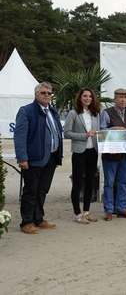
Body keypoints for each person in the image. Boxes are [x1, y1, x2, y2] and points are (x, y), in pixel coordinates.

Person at [14, 82, 63, 234]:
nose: (47, 95)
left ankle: (38, 218)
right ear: (36, 94)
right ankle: (26, 222)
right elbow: (19, 136)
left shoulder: (53, 111)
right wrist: (22, 157)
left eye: (49, 93)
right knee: (30, 191)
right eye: (43, 93)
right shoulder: (26, 111)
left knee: (42, 190)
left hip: (51, 158)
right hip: (34, 158)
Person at [100, 88, 126, 221]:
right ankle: (109, 210)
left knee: (124, 182)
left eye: (125, 97)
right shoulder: (106, 113)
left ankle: (121, 208)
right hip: (111, 153)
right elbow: (101, 131)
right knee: (109, 183)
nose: (123, 100)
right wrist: (113, 129)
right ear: (115, 99)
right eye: (120, 97)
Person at [64, 88, 100, 224]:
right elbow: (66, 133)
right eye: (85, 96)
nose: (87, 98)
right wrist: (84, 135)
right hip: (79, 152)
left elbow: (99, 131)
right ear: (80, 98)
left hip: (93, 151)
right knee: (78, 182)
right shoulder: (73, 113)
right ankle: (77, 213)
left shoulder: (96, 114)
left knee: (90, 182)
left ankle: (86, 211)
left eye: (90, 96)